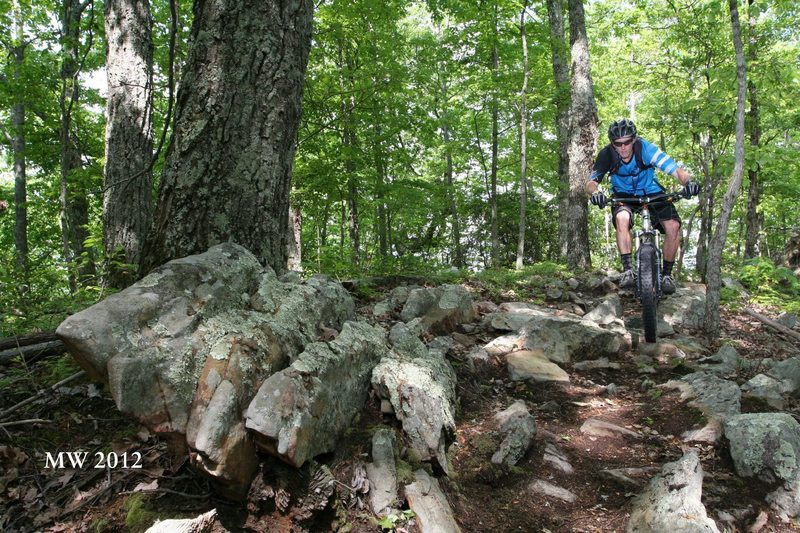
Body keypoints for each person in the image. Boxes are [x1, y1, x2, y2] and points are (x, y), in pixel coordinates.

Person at [584, 118, 699, 294]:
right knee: (622, 218)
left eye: (627, 142)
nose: (623, 147)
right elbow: (591, 182)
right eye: (618, 143)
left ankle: (667, 275)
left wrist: (688, 182)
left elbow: (675, 170)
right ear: (612, 144)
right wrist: (596, 193)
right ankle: (628, 271)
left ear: (635, 139)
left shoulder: (646, 149)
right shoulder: (607, 154)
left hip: (651, 191)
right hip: (622, 194)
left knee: (673, 226)